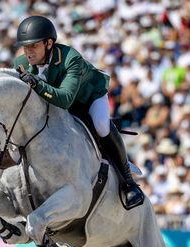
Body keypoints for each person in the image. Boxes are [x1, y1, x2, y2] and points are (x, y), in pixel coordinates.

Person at [13, 16, 144, 210]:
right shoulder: (21, 63)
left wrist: (37, 84)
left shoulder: (70, 58)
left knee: (101, 125)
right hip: (55, 103)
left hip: (89, 97)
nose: (28, 52)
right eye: (25, 47)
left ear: (49, 43)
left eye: (33, 46)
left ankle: (128, 182)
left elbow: (65, 98)